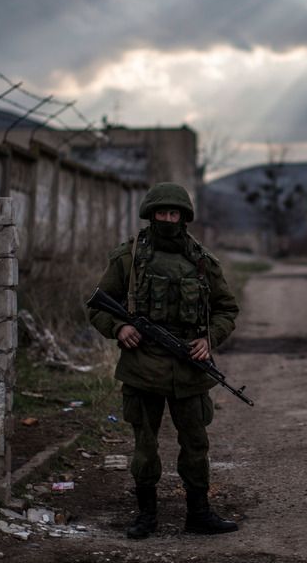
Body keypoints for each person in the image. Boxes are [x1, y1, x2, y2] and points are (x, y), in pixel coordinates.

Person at [88, 182, 240, 539]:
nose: (168, 220)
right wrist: (119, 327)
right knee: (145, 446)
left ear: (184, 218)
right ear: (150, 215)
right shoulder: (128, 258)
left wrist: (209, 338)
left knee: (196, 446)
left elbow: (226, 309)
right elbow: (97, 306)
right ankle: (145, 515)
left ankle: (199, 513)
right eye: (162, 213)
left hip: (189, 367)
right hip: (142, 368)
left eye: (174, 214)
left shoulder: (202, 261)